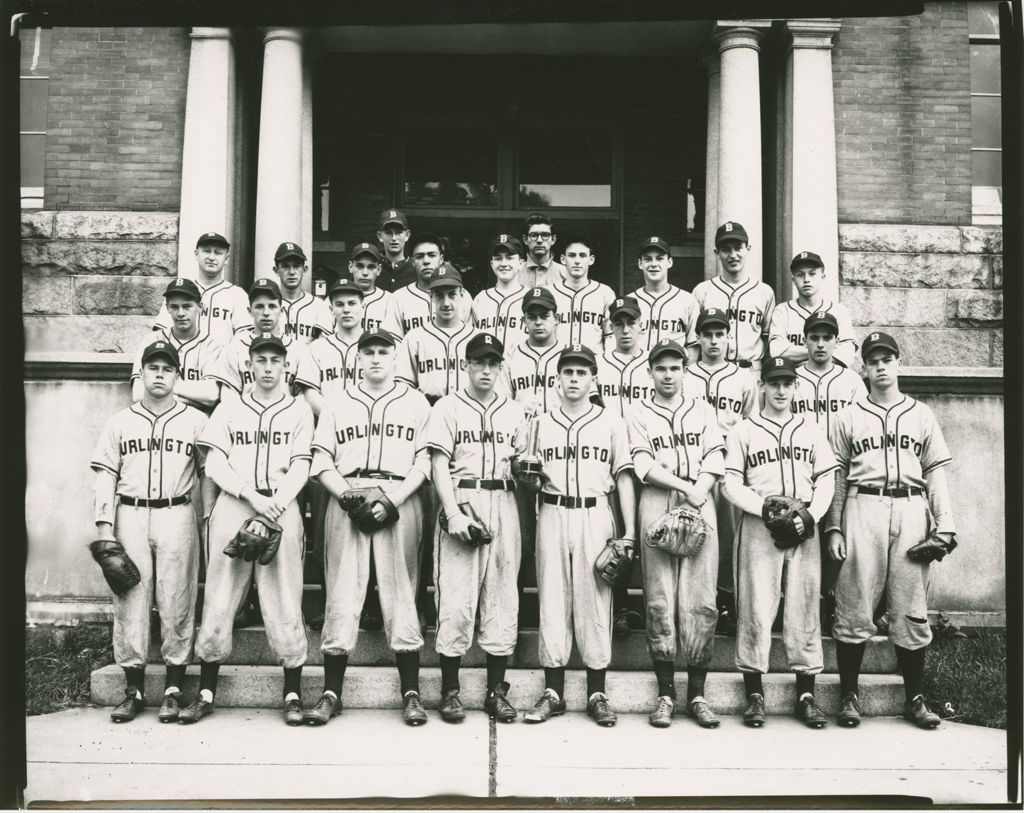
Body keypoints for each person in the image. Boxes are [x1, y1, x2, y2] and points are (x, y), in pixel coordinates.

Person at [825, 332, 956, 729]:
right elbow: (837, 476)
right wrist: (833, 527)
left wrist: (945, 525)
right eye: (873, 360)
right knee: (855, 601)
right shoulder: (847, 416)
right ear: (863, 368)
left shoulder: (921, 413)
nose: (881, 365)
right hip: (862, 507)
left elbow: (935, 473)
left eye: (887, 358)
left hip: (912, 509)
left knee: (911, 605)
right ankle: (849, 694)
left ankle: (915, 697)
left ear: (898, 362)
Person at [181, 333, 314, 725]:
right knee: (219, 596)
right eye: (262, 360)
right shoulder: (229, 407)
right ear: (249, 365)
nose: (269, 367)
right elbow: (214, 464)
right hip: (236, 503)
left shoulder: (299, 410)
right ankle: (206, 692)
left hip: (281, 503)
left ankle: (292, 693)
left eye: (276, 360)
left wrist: (273, 503)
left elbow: (303, 465)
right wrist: (251, 497)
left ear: (286, 365)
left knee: (285, 596)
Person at [303, 327, 433, 726]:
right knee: (342, 592)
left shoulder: (415, 402)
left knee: (401, 594)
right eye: (369, 352)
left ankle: (411, 693)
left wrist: (393, 500)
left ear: (396, 359)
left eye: (383, 351)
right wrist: (347, 497)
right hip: (349, 494)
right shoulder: (339, 403)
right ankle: (331, 693)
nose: (376, 358)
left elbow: (425, 462)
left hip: (399, 496)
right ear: (357, 359)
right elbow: (320, 462)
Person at [518, 344, 636, 728]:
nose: (574, 379)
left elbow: (623, 477)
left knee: (595, 602)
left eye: (581, 372)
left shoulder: (611, 421)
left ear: (593, 379)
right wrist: (528, 477)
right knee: (552, 599)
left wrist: (630, 532)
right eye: (567, 372)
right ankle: (553, 692)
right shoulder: (538, 422)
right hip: (552, 511)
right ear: (556, 379)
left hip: (595, 512)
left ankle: (596, 693)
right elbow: (527, 477)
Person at [90, 340, 208, 723]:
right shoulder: (120, 422)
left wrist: (205, 521)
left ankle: (173, 689)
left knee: (178, 598)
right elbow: (105, 476)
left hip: (177, 512)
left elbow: (210, 476)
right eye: (153, 368)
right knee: (132, 600)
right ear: (141, 374)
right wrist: (105, 529)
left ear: (178, 375)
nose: (160, 374)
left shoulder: (195, 421)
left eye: (167, 368)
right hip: (131, 514)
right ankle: (133, 689)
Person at [722, 356, 838, 728]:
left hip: (804, 525)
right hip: (760, 526)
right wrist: (765, 510)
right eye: (774, 383)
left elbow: (827, 481)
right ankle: (754, 694)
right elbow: (731, 484)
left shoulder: (812, 429)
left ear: (796, 386)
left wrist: (810, 517)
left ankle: (806, 694)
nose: (781, 390)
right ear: (763, 386)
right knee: (755, 605)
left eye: (787, 383)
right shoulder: (744, 429)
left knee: (804, 606)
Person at [427, 333, 529, 723]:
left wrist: (528, 468)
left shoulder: (514, 410)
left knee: (502, 596)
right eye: (478, 362)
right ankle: (450, 691)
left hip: (503, 501)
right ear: (465, 364)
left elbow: (523, 463)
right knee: (455, 597)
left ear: (501, 367)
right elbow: (438, 463)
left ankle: (494, 691)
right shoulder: (448, 407)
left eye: (493, 363)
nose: (486, 370)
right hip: (463, 497)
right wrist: (452, 512)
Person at [625, 339, 724, 729]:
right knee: (660, 599)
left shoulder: (702, 410)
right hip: (659, 500)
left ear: (686, 370)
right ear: (649, 372)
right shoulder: (637, 412)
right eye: (661, 368)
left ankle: (697, 695)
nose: (668, 375)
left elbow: (716, 455)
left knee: (701, 598)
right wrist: (688, 486)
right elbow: (642, 464)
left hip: (700, 502)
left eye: (675, 367)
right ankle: (666, 694)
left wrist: (699, 487)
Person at [683, 307, 758, 634]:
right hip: (695, 464)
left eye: (719, 334)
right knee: (691, 532)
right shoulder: (685, 375)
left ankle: (726, 601)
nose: (713, 341)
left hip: (730, 463)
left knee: (728, 535)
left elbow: (754, 425)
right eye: (707, 334)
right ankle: (692, 600)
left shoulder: (743, 377)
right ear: (697, 338)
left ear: (729, 337)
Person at [594, 296, 651, 639]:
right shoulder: (599, 364)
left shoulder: (654, 363)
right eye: (619, 323)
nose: (625, 329)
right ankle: (619, 605)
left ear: (642, 324)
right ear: (610, 327)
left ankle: (647, 606)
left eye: (631, 322)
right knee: (616, 535)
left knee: (648, 533)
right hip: (611, 457)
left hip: (647, 457)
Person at [204, 278, 311, 404]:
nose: (266, 313)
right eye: (259, 307)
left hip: (286, 420)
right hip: (246, 420)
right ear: (249, 311)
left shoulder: (298, 349)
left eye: (272, 306)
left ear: (281, 311)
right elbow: (228, 397)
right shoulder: (236, 347)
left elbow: (303, 397)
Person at [692, 222, 775, 372]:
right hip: (713, 370)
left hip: (751, 370)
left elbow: (767, 337)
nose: (733, 255)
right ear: (716, 253)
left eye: (738, 248)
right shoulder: (702, 291)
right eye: (725, 250)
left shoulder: (764, 292)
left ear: (748, 249)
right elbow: (695, 339)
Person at [130, 278, 222, 413]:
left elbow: (211, 395)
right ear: (167, 308)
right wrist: (189, 395)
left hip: (198, 423)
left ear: (200, 307)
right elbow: (137, 394)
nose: (180, 313)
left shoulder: (213, 345)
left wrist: (164, 388)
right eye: (174, 307)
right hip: (156, 418)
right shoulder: (152, 340)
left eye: (187, 306)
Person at [395, 265, 477, 405]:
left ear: (462, 295)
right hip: (428, 411)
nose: (446, 303)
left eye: (452, 294)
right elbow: (403, 386)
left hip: (468, 412)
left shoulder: (476, 338)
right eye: (439, 295)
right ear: (430, 296)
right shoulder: (415, 338)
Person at [153, 232, 250, 344]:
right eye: (206, 251)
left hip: (221, 360)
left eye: (218, 252)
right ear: (196, 254)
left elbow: (244, 338)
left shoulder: (237, 295)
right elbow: (161, 333)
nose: (211, 257)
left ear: (226, 258)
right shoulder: (178, 291)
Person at [768, 251, 858, 370]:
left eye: (812, 274)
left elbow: (846, 354)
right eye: (800, 275)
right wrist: (823, 353)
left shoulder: (839, 311)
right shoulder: (782, 311)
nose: (806, 279)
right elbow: (776, 351)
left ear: (822, 277)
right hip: (793, 379)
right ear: (793, 280)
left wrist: (801, 356)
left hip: (830, 379)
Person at [295, 276, 366, 417]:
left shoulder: (376, 346)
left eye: (352, 303)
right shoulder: (317, 348)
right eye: (339, 304)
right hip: (327, 426)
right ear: (331, 309)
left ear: (362, 307)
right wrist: (333, 417)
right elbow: (310, 393)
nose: (346, 310)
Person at [628, 236, 700, 356]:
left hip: (671, 372)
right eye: (648, 259)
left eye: (660, 259)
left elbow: (693, 346)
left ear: (670, 262)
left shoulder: (687, 301)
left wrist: (685, 373)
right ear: (640, 264)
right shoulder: (629, 301)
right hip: (637, 371)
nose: (654, 264)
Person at [392, 232, 472, 336]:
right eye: (419, 256)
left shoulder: (462, 295)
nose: (426, 261)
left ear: (441, 259)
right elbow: (394, 340)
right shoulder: (399, 298)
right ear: (412, 262)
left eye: (432, 255)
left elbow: (469, 339)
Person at [550, 236, 616, 350]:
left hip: (594, 364)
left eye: (582, 255)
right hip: (557, 362)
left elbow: (610, 337)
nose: (577, 260)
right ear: (563, 259)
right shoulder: (550, 292)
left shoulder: (605, 293)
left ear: (591, 259)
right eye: (571, 255)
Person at [471, 234, 529, 349]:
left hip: (521, 363)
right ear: (492, 264)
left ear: (521, 263)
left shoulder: (530, 297)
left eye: (509, 257)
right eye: (498, 258)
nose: (503, 263)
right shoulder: (481, 299)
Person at [273, 241, 333, 344]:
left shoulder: (319, 306)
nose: (291, 272)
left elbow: (324, 347)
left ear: (304, 270)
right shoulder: (268, 306)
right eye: (286, 266)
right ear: (277, 271)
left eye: (296, 266)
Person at [347, 241, 402, 334]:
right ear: (351, 267)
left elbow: (394, 339)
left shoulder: (389, 300)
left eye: (371, 267)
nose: (365, 272)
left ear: (379, 269)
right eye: (360, 266)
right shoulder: (336, 297)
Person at [519, 213, 566, 289]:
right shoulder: (514, 273)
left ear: (553, 239)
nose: (539, 240)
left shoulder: (565, 274)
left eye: (545, 235)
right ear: (525, 240)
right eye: (534, 235)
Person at [376, 208, 415, 292]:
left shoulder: (416, 268)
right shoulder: (372, 267)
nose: (394, 238)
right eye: (388, 233)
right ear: (380, 236)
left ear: (407, 235)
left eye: (398, 232)